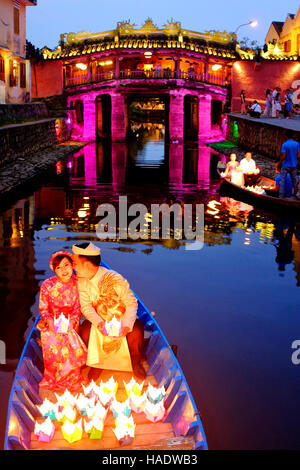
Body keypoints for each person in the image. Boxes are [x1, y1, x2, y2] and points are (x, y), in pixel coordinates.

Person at [73, 242, 146, 380]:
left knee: (136, 330)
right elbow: (86, 306)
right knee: (85, 331)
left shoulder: (114, 278)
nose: (73, 266)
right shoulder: (81, 282)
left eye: (76, 263)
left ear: (87, 265)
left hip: (120, 319)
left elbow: (131, 303)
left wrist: (125, 326)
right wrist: (99, 323)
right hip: (100, 320)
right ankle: (97, 364)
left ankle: (135, 362)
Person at [38, 251, 87, 391]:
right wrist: (50, 321)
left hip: (71, 321)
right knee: (50, 335)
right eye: (58, 267)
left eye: (66, 265)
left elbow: (78, 307)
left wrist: (72, 321)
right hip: (51, 321)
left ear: (72, 265)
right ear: (54, 270)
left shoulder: (78, 283)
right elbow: (43, 308)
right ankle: (53, 376)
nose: (64, 270)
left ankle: (71, 375)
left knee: (69, 336)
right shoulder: (47, 285)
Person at [275, 129, 300, 198]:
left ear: (286, 136)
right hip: (294, 165)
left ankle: (281, 197)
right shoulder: (297, 144)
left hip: (286, 165)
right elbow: (298, 155)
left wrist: (279, 163)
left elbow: (284, 156)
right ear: (293, 136)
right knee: (294, 181)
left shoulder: (284, 145)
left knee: (282, 180)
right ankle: (295, 195)